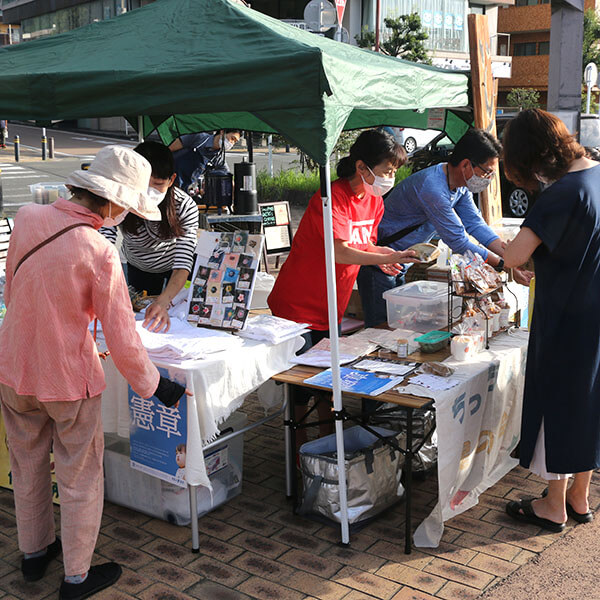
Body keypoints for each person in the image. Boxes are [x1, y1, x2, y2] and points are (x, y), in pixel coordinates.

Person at [0, 146, 186, 600]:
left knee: (26, 467)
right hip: (67, 380)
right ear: (113, 202)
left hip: (12, 368)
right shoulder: (98, 251)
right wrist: (157, 386)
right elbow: (123, 340)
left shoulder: (26, 216)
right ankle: (76, 577)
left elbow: (12, 283)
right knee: (80, 477)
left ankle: (34, 554)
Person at [268, 129, 419, 449]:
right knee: (300, 386)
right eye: (387, 171)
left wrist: (383, 258)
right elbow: (339, 251)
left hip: (331, 304)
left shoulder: (374, 202)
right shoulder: (330, 198)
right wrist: (385, 255)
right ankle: (298, 454)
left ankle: (326, 444)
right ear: (362, 167)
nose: (391, 177)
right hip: (297, 304)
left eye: (394, 171)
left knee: (327, 379)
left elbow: (364, 245)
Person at [501, 109, 599, 532]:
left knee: (555, 407)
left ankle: (553, 505)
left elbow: (515, 255)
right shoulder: (596, 175)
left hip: (565, 319)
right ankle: (580, 496)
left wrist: (510, 255)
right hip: (594, 312)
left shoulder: (563, 193)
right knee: (589, 404)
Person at [357, 128, 531, 328]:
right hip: (378, 263)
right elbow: (459, 241)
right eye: (487, 172)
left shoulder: (459, 186)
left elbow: (476, 225)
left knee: (398, 327)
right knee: (381, 330)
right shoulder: (432, 188)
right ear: (466, 165)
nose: (488, 179)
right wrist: (504, 264)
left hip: (398, 263)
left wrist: (510, 258)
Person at [101, 141, 199, 334]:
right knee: (139, 316)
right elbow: (104, 244)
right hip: (139, 265)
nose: (149, 192)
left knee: (175, 313)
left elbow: (183, 263)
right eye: (143, 184)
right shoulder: (121, 199)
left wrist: (163, 301)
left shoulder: (184, 206)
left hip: (173, 267)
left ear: (171, 180)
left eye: (158, 184)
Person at [168, 129, 242, 192]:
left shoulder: (218, 158)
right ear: (222, 132)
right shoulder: (198, 138)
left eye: (235, 142)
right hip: (167, 178)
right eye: (232, 138)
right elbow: (167, 150)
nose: (231, 143)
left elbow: (228, 178)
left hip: (183, 188)